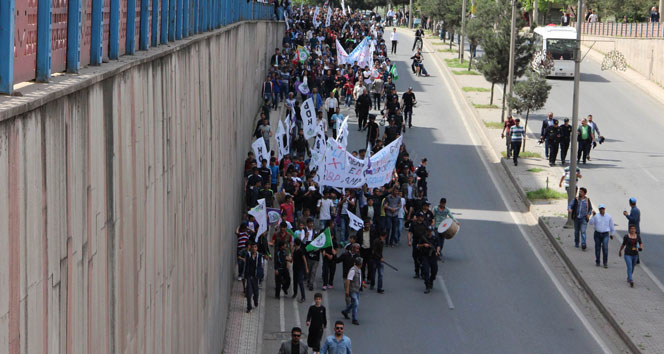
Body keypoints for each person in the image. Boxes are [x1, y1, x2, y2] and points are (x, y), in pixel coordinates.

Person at [242, 242, 263, 313]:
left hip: (256, 277)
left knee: (256, 293)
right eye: (253, 247)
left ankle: (255, 300)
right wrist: (245, 276)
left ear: (257, 248)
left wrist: (260, 275)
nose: (254, 248)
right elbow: (246, 266)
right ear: (251, 248)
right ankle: (249, 307)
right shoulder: (248, 255)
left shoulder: (259, 256)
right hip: (249, 277)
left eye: (255, 247)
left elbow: (261, 266)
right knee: (249, 293)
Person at [341, 257, 363, 325]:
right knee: (356, 303)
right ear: (359, 264)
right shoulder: (353, 270)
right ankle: (354, 319)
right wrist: (347, 290)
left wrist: (362, 284)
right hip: (352, 289)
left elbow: (359, 279)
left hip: (357, 289)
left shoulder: (359, 270)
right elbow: (348, 280)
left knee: (353, 303)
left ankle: (345, 311)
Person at [418, 228, 440, 294]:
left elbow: (438, 245)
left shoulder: (435, 238)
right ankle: (427, 286)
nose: (429, 232)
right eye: (428, 231)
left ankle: (431, 280)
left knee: (434, 271)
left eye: (430, 231)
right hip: (425, 256)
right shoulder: (423, 238)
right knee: (426, 271)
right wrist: (424, 245)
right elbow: (418, 245)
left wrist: (437, 251)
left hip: (433, 257)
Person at [408, 212, 428, 278]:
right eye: (421, 217)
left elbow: (429, 232)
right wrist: (409, 241)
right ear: (418, 217)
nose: (422, 218)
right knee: (415, 257)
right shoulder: (413, 224)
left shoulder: (425, 224)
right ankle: (417, 272)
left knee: (423, 258)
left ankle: (422, 273)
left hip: (423, 243)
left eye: (423, 217)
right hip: (416, 243)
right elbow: (410, 233)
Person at [292, 238, 309, 303]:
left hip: (300, 269)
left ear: (295, 243)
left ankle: (303, 297)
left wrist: (306, 268)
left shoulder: (300, 251)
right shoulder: (295, 250)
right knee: (295, 281)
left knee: (300, 282)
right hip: (295, 268)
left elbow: (304, 259)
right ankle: (295, 293)